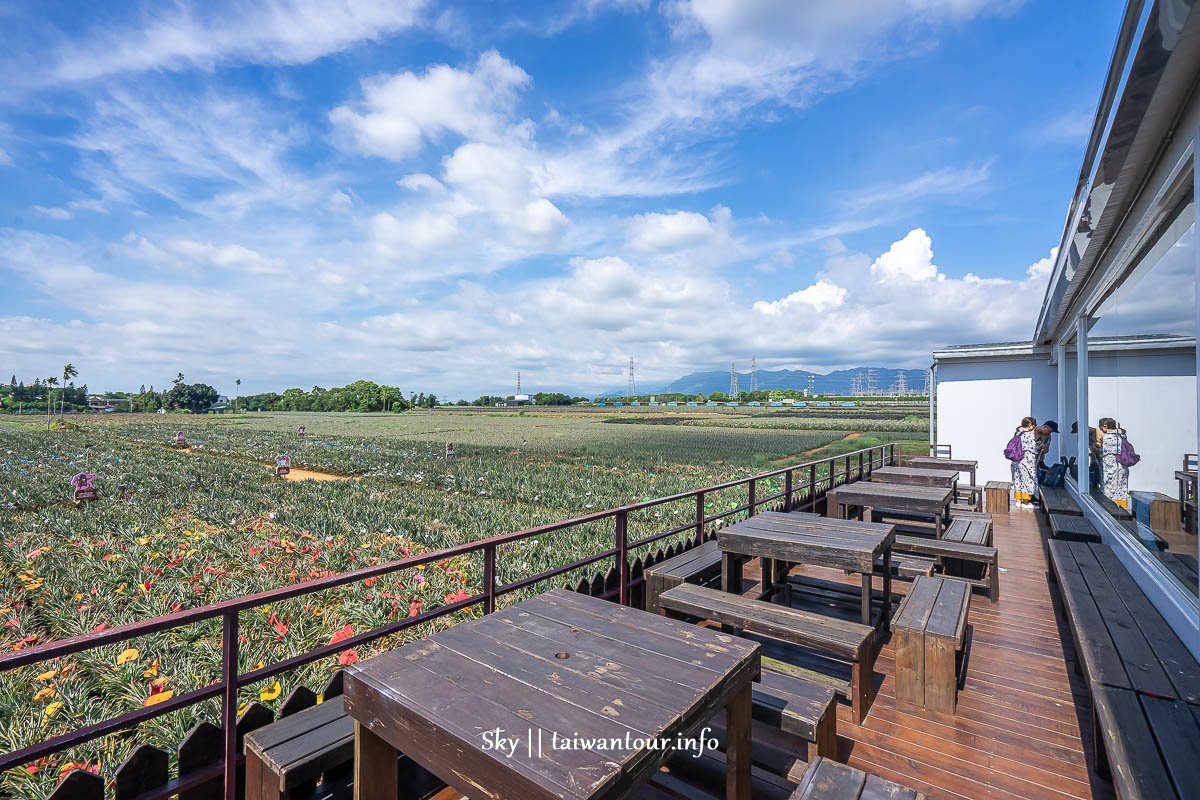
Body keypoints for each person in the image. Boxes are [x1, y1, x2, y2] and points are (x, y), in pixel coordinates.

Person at [1098, 417, 1131, 508]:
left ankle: (1109, 510)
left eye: (1100, 427)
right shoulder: (1122, 436)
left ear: (1105, 426)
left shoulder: (1106, 438)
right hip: (1122, 467)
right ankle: (1123, 508)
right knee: (1122, 489)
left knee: (1109, 489)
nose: (1100, 429)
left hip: (1110, 468)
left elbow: (1102, 452)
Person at [1010, 416, 1039, 508]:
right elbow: (1034, 449)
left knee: (1017, 479)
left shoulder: (1018, 433)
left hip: (1016, 461)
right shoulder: (1029, 435)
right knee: (1028, 479)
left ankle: (1018, 501)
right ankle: (1026, 502)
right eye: (1034, 425)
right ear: (1030, 425)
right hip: (1026, 461)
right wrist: (1040, 445)